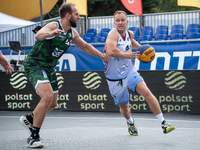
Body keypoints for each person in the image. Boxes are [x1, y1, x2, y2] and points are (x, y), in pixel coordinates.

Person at [19, 2, 109, 148]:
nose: (79, 17)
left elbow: (85, 46)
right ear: (68, 15)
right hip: (35, 64)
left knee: (53, 103)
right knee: (47, 96)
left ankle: (30, 118)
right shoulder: (54, 25)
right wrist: (49, 33)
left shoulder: (72, 33)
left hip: (49, 67)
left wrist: (101, 55)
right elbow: (39, 35)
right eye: (76, 14)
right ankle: (34, 136)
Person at [104, 10, 175, 136]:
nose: (120, 22)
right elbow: (110, 51)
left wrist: (147, 52)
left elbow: (138, 47)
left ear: (127, 21)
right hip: (115, 78)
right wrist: (127, 54)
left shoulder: (130, 34)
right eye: (118, 20)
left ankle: (163, 123)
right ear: (114, 22)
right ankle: (130, 122)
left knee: (147, 92)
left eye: (122, 20)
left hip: (130, 71)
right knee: (125, 108)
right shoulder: (113, 34)